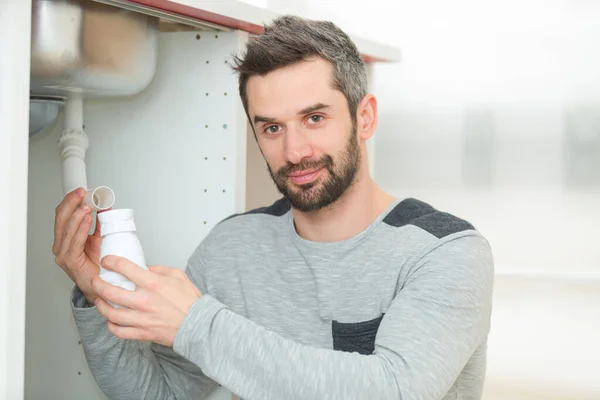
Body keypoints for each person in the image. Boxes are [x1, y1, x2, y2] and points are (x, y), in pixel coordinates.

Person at [52, 15, 494, 400]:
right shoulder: (233, 246)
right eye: (271, 128)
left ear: (365, 118)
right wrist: (99, 295)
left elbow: (395, 390)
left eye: (314, 118)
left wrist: (197, 325)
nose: (295, 150)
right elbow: (157, 391)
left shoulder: (447, 252)